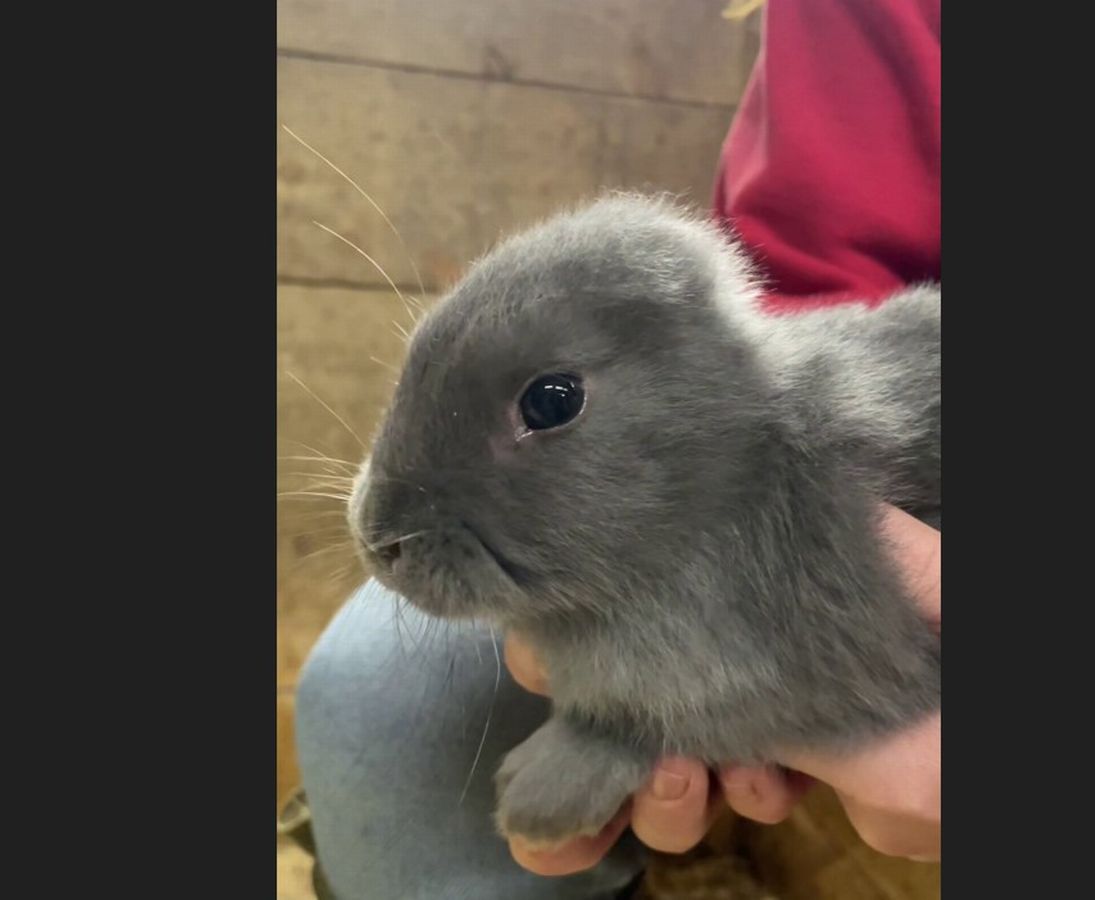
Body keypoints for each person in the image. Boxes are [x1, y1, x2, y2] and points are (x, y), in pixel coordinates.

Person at [292, 0, 941, 896]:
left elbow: (829, 663)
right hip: (834, 325)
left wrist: (620, 723)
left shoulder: (812, 477)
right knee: (368, 703)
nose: (384, 528)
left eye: (548, 404)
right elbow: (809, 265)